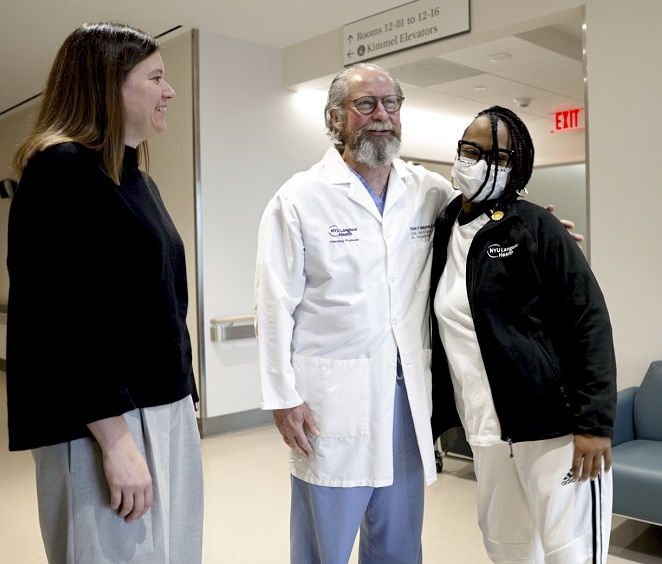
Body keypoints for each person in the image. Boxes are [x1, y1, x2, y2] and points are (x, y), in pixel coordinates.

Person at [5, 22, 203, 563]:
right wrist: (115, 443)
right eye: (157, 78)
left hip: (163, 407)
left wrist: (185, 401)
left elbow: (157, 302)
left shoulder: (133, 175)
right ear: (107, 86)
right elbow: (58, 321)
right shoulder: (61, 169)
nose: (169, 91)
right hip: (105, 419)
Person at [254, 62, 457, 563]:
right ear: (335, 118)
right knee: (324, 546)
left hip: (406, 400)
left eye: (391, 104)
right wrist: (283, 396)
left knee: (399, 543)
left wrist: (535, 229)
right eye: (365, 105)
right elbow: (274, 302)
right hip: (330, 404)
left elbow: (478, 228)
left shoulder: (427, 189)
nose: (382, 116)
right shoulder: (299, 197)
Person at [429, 106, 616, 564]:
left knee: (570, 552)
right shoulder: (444, 229)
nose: (476, 159)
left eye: (495, 154)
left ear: (517, 167)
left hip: (554, 431)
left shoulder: (535, 227)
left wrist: (594, 422)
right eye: (469, 148)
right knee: (508, 549)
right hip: (486, 430)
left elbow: (588, 320)